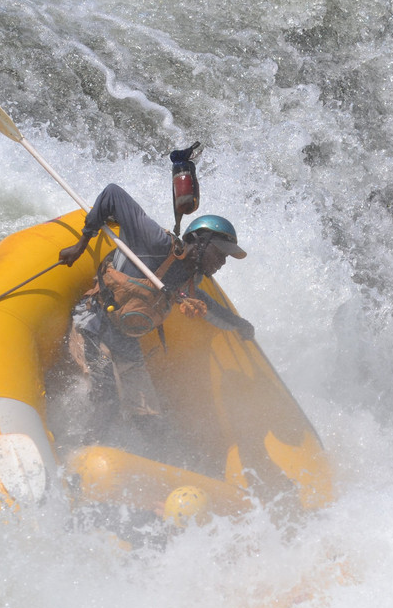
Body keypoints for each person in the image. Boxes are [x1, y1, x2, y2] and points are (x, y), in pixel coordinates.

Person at [58, 183, 254, 454]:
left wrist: (239, 324)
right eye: (220, 253)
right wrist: (81, 245)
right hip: (92, 323)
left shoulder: (188, 277)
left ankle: (164, 471)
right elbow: (112, 194)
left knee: (150, 419)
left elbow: (207, 306)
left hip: (125, 341)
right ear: (200, 242)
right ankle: (78, 463)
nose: (222, 262)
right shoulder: (155, 243)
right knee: (108, 400)